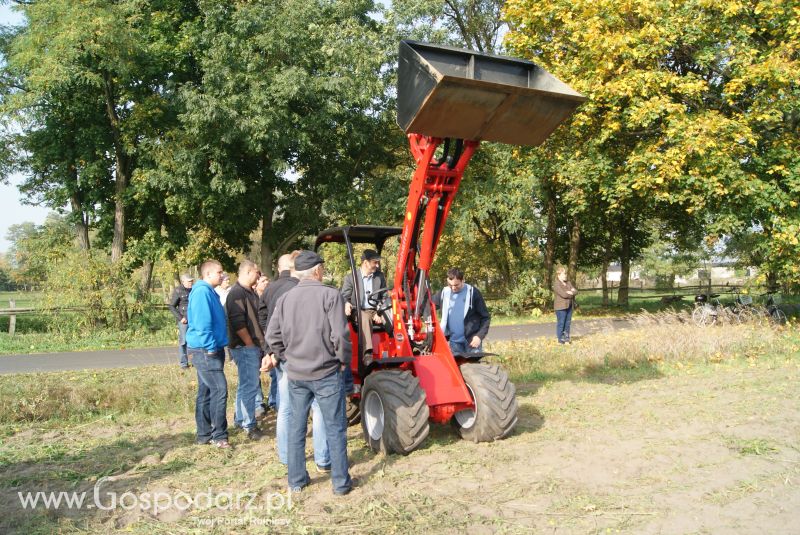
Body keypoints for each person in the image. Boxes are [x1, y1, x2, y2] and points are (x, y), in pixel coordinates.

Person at [266, 250, 355, 495]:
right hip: (326, 372)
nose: (323, 272)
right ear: (317, 271)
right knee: (335, 427)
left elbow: (272, 336)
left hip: (296, 374)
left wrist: (285, 356)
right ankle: (340, 483)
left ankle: (296, 480)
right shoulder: (330, 295)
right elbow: (341, 335)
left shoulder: (285, 298)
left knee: (296, 427)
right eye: (322, 268)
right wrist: (343, 361)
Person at [259, 252, 330, 471]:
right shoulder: (299, 290)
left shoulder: (270, 289)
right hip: (303, 357)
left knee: (286, 408)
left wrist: (272, 352)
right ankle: (323, 459)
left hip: (283, 357)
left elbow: (266, 321)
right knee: (317, 408)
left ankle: (286, 456)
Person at [186, 260, 230, 448]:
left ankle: (204, 434)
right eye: (219, 272)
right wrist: (211, 348)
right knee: (220, 389)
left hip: (208, 348)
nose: (223, 275)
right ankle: (219, 436)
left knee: (205, 391)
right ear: (208, 274)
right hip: (206, 350)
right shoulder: (202, 292)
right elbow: (203, 324)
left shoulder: (209, 291)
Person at [226, 260, 265, 441]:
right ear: (248, 272)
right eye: (256, 273)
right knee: (250, 386)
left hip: (249, 346)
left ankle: (240, 418)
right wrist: (250, 344)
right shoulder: (236, 293)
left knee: (245, 384)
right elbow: (238, 323)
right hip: (244, 347)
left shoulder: (249, 292)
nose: (258, 276)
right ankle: (250, 425)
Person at [340, 249, 387, 365]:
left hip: (375, 310)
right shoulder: (351, 278)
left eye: (377, 262)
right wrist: (346, 303)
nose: (377, 265)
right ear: (365, 263)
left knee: (395, 314)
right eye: (374, 262)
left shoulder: (379, 277)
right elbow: (343, 296)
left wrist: (379, 312)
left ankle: (396, 348)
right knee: (364, 317)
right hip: (358, 310)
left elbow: (384, 296)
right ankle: (368, 353)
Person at [431, 267, 491, 354]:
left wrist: (479, 336)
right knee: (456, 367)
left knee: (474, 367)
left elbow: (486, 317)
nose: (453, 288)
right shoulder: (444, 293)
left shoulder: (473, 293)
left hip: (472, 342)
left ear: (463, 280)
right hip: (454, 344)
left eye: (456, 285)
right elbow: (427, 306)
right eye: (450, 285)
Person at [168, 272, 194, 369]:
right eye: (189, 281)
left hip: (194, 320)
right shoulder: (178, 290)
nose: (191, 282)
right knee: (183, 342)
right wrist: (180, 318)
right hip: (184, 320)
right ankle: (184, 364)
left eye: (192, 281)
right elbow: (171, 306)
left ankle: (195, 361)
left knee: (194, 341)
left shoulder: (195, 290)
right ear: (183, 281)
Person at [553, 268, 577, 344]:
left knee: (567, 323)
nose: (565, 275)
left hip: (569, 306)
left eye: (566, 274)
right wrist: (570, 293)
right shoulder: (556, 284)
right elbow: (563, 295)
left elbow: (576, 291)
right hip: (560, 307)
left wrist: (570, 292)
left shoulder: (568, 283)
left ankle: (566, 339)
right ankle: (560, 340)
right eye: (564, 274)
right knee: (561, 324)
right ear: (559, 275)